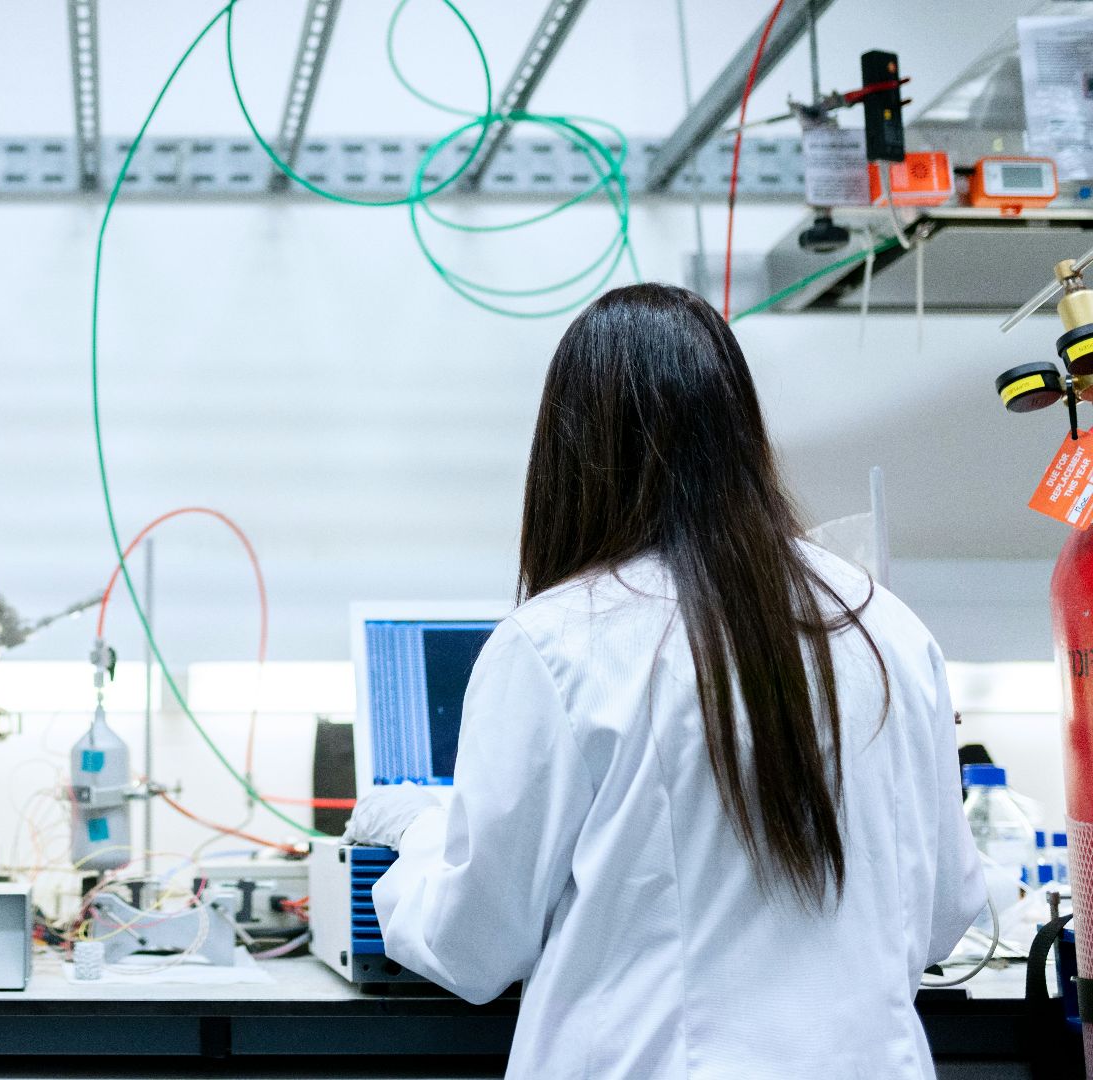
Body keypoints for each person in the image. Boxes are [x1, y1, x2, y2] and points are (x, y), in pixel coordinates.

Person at [346, 283, 985, 1079]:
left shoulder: (559, 644)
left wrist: (415, 837)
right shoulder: (881, 625)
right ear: (742, 430)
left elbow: (474, 944)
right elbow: (944, 915)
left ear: (572, 453)